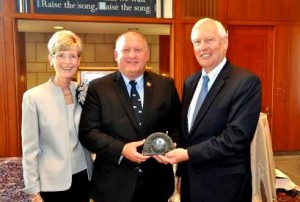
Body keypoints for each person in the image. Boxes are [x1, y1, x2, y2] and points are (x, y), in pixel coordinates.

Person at [155, 18, 262, 202]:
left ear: (225, 42)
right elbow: (187, 132)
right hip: (190, 182)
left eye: (209, 40)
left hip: (225, 186)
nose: (203, 47)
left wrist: (187, 155)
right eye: (197, 42)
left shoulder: (246, 82)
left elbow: (237, 137)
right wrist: (181, 173)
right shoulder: (191, 82)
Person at [79, 31, 181, 202]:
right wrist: (121, 149)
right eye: (126, 50)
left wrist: (170, 146)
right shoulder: (98, 88)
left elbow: (178, 125)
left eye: (138, 50)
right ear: (115, 55)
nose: (132, 55)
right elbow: (88, 133)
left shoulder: (166, 85)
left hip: (156, 185)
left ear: (147, 54)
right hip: (112, 186)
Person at [21, 30, 93, 202]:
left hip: (84, 178)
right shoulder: (33, 97)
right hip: (51, 184)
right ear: (51, 59)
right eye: (61, 55)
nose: (67, 61)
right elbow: (30, 149)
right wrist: (33, 191)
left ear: (79, 61)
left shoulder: (85, 91)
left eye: (72, 56)